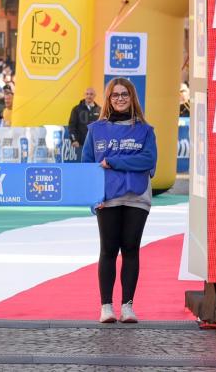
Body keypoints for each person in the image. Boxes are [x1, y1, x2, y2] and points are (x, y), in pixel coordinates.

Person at [82, 77, 157, 324]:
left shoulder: (146, 130)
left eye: (124, 94)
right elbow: (87, 165)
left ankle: (127, 306)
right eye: (115, 95)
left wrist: (115, 161)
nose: (120, 98)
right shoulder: (96, 130)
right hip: (107, 198)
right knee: (108, 249)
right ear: (109, 99)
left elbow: (147, 161)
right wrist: (93, 198)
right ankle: (106, 307)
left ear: (132, 97)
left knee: (131, 249)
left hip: (137, 196)